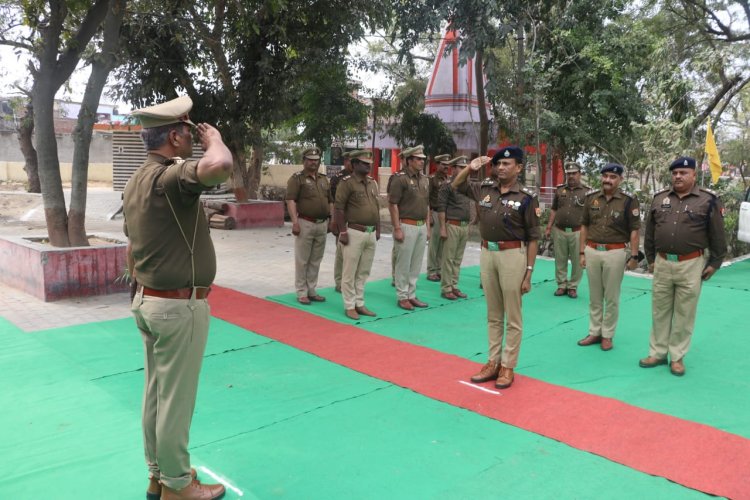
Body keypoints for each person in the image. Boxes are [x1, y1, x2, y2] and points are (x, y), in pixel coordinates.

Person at [124, 95, 231, 500]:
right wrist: (216, 139)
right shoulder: (170, 176)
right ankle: (178, 484)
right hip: (177, 305)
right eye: (188, 131)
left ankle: (158, 473)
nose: (193, 136)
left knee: (156, 393)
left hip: (149, 301)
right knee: (176, 399)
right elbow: (219, 165)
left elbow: (130, 246)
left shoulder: (137, 179)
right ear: (174, 135)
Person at [453, 147, 540, 389]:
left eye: (507, 164)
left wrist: (529, 272)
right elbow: (456, 185)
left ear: (519, 168)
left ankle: (508, 366)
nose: (501, 168)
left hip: (513, 254)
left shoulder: (527, 197)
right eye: (498, 164)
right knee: (493, 313)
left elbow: (534, 237)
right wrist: (471, 168)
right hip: (487, 253)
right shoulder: (485, 189)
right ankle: (493, 361)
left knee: (512, 314)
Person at [639, 156, 727, 376]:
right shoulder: (659, 199)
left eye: (683, 173)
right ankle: (658, 353)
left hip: (691, 264)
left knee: (684, 313)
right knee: (660, 310)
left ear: (694, 175)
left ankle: (677, 356)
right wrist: (650, 259)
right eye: (675, 172)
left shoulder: (707, 200)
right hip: (662, 262)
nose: (678, 176)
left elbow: (717, 234)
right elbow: (649, 232)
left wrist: (715, 262)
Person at [578, 163, 641, 351]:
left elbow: (634, 230)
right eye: (605, 176)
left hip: (615, 252)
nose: (607, 180)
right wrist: (582, 252)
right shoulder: (590, 198)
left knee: (611, 297)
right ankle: (594, 332)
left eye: (612, 177)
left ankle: (607, 335)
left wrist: (634, 256)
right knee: (594, 296)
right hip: (592, 250)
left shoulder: (629, 201)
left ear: (620, 180)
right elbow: (584, 226)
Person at [334, 150, 381, 320]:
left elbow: (376, 207)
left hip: (370, 232)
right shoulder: (346, 183)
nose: (368, 166)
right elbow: (339, 209)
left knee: (363, 271)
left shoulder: (372, 183)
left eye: (369, 163)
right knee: (349, 271)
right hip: (354, 231)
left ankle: (359, 303)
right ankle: (349, 305)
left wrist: (378, 229)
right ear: (354, 165)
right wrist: (343, 231)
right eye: (363, 163)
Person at [286, 147, 335, 305]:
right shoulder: (297, 179)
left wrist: (331, 219)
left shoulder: (323, 179)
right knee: (302, 259)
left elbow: (330, 201)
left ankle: (312, 290)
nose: (313, 163)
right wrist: (294, 222)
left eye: (316, 160)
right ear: (304, 161)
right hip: (305, 223)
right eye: (310, 160)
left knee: (316, 259)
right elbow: (291, 200)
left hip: (322, 224)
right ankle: (301, 291)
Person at [388, 145, 431, 310]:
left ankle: (411, 295)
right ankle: (402, 296)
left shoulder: (424, 179)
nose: (422, 162)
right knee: (403, 264)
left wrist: (427, 227)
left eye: (423, 159)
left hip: (420, 226)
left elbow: (426, 205)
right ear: (409, 160)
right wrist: (397, 227)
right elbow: (393, 205)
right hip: (406, 225)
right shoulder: (400, 178)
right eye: (418, 159)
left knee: (416, 263)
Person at [545, 162, 588, 298]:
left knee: (577, 261)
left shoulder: (587, 192)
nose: (571, 176)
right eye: (569, 173)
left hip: (577, 232)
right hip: (559, 230)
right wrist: (548, 227)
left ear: (579, 174)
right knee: (560, 259)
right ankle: (561, 285)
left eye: (574, 173)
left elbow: (590, 215)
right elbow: (554, 209)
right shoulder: (560, 190)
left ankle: (573, 286)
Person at [437, 156, 472, 300]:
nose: (463, 170)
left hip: (464, 226)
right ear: (454, 169)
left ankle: (454, 285)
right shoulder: (447, 185)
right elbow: (441, 207)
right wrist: (443, 228)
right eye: (460, 167)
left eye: (465, 168)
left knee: (458, 259)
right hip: (452, 225)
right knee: (448, 258)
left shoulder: (466, 185)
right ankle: (446, 288)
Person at [426, 154, 453, 281]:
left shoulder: (450, 179)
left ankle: (439, 269)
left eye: (448, 164)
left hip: (447, 214)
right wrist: (429, 215)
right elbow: (427, 199)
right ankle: (431, 270)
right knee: (434, 243)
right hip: (435, 213)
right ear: (437, 165)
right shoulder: (432, 179)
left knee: (443, 243)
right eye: (443, 164)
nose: (446, 167)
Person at [331, 151, 353, 293]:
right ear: (345, 161)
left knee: (353, 254)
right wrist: (334, 221)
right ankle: (339, 282)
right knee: (341, 253)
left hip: (355, 221)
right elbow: (333, 202)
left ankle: (350, 281)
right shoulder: (338, 179)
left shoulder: (362, 177)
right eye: (352, 161)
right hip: (341, 219)